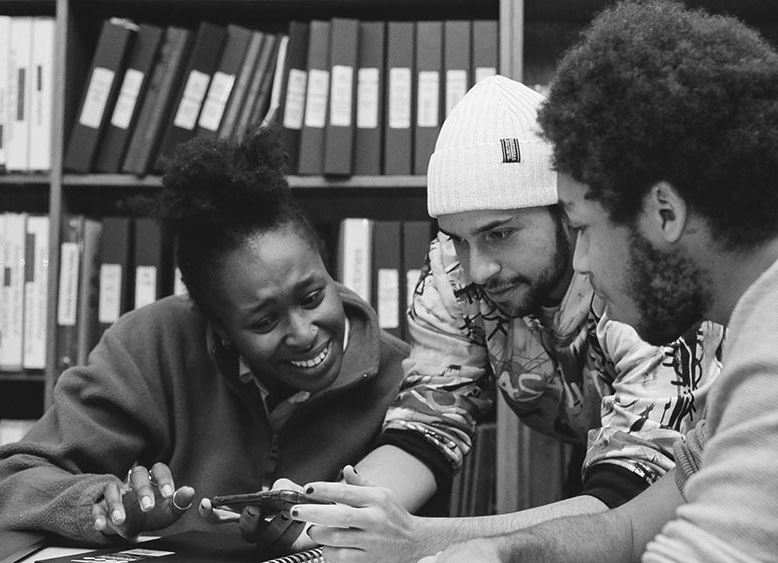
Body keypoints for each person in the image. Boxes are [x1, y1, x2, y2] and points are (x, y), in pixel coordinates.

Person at [408, 1, 778, 561]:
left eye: (583, 228)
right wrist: (501, 554)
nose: (581, 264)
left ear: (664, 212)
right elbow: (630, 530)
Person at [293, 75, 725, 562]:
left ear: (565, 212)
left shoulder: (635, 276)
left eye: (499, 234)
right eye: (457, 238)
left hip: (706, 504)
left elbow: (623, 508)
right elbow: (427, 427)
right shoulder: (455, 272)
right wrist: (322, 521)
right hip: (599, 476)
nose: (478, 269)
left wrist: (418, 539)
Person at [0, 128, 411, 551]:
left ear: (327, 267)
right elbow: (9, 483)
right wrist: (106, 506)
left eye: (312, 296)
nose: (303, 332)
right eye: (264, 322)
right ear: (219, 327)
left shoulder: (405, 380)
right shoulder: (151, 344)